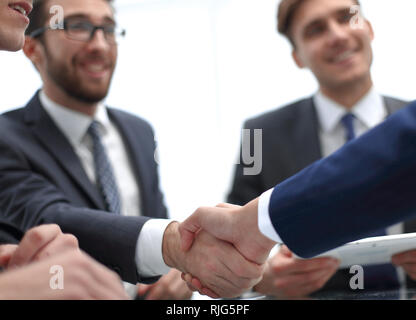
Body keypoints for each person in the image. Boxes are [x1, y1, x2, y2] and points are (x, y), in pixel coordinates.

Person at [0, 0, 264, 299]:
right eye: (78, 26)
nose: (99, 44)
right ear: (33, 49)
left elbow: (156, 221)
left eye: (108, 29)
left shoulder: (138, 131)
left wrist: (177, 271)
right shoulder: (6, 137)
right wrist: (173, 246)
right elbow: (51, 216)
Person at [227, 0, 416, 298]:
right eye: (315, 30)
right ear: (297, 57)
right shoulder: (256, 133)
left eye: (347, 17)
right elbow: (232, 235)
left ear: (368, 27)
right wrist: (260, 279)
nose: (337, 35)